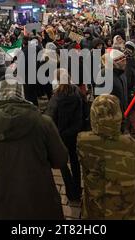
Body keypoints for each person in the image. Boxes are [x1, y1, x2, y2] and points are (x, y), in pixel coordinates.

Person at [0, 80, 68, 220]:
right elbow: (60, 160)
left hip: (4, 205)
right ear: (22, 94)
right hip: (43, 202)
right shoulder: (44, 122)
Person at [77, 95, 135, 220]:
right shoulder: (132, 145)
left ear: (93, 116)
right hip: (124, 213)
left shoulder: (83, 141)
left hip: (95, 212)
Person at [45, 69, 83, 201]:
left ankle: (71, 191)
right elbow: (83, 112)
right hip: (74, 133)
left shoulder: (56, 98)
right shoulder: (77, 92)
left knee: (62, 162)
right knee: (74, 159)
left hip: (60, 136)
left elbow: (49, 119)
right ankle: (78, 188)